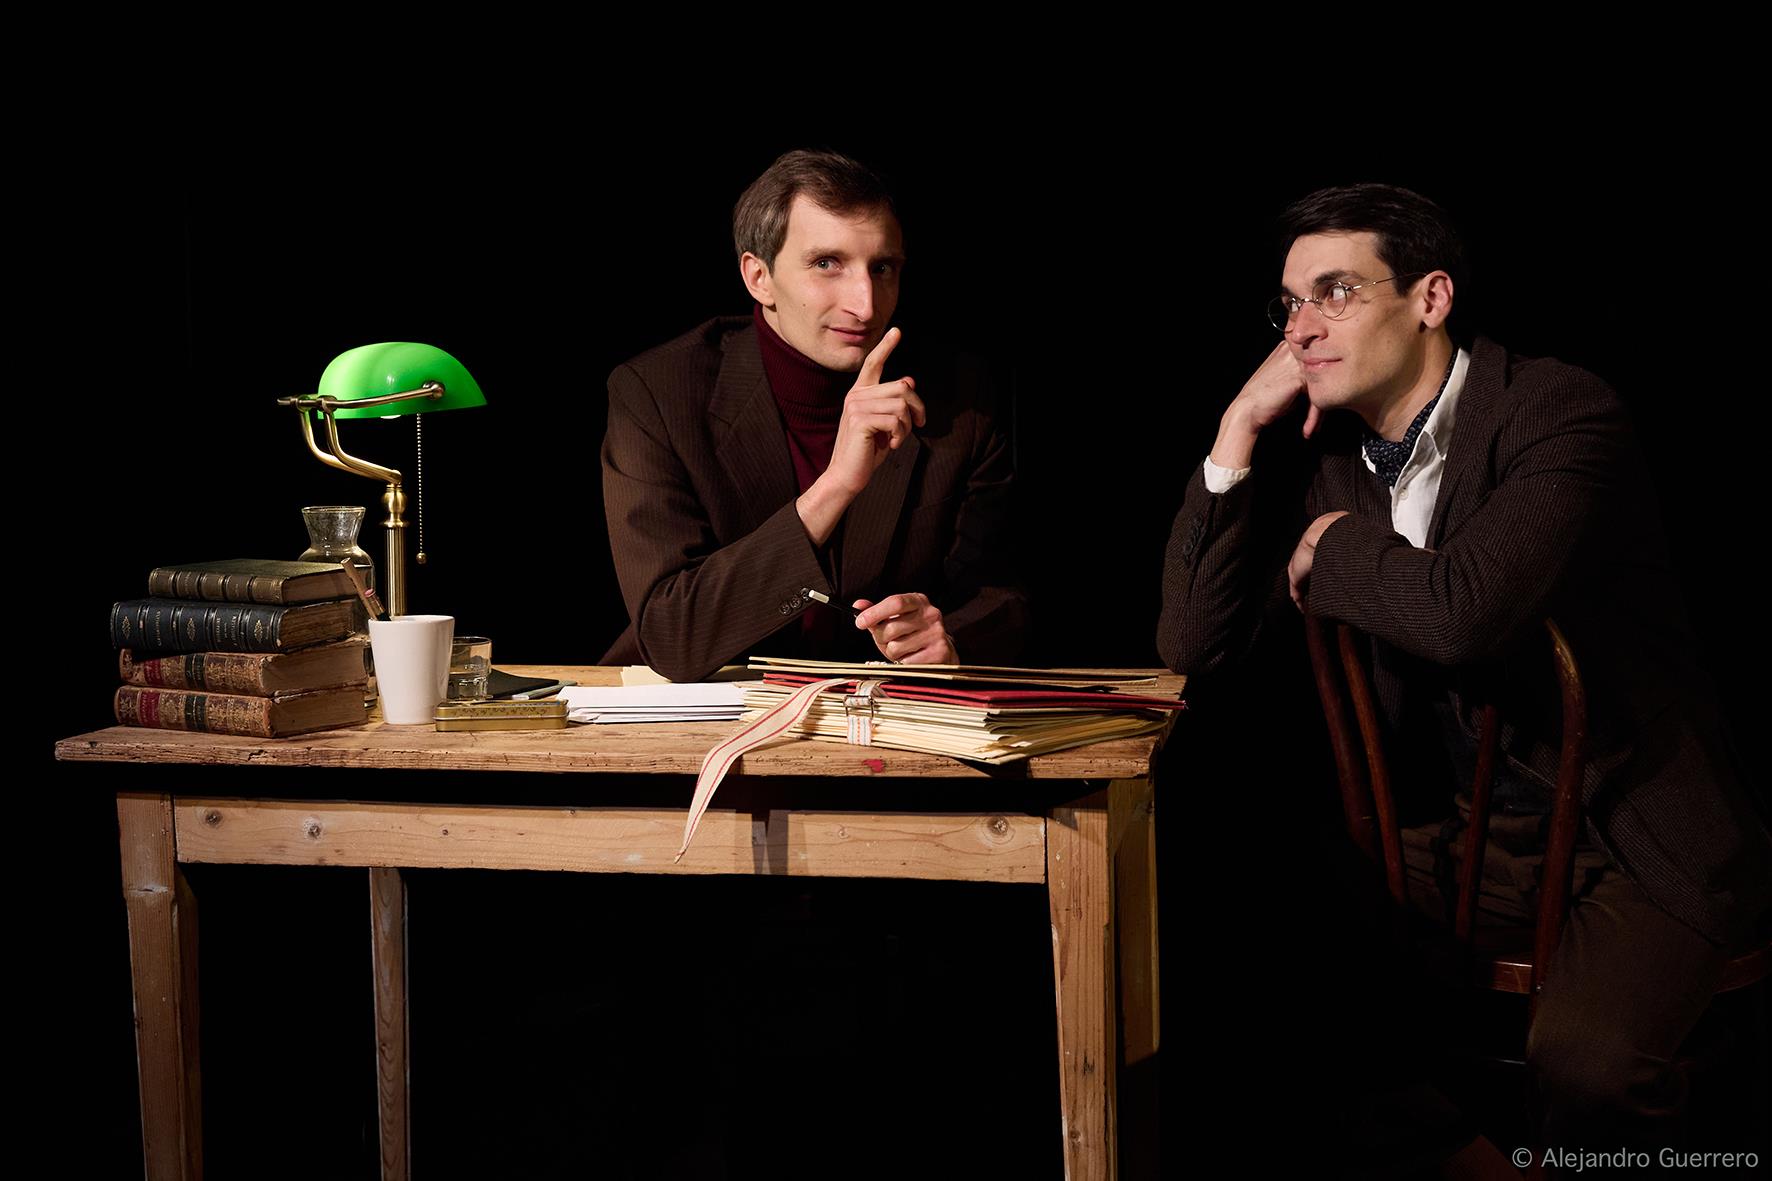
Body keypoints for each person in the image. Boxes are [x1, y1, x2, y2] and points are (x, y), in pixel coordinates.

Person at [1157, 184, 1771, 1156]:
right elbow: (1194, 645)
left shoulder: (1557, 410)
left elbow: (1463, 612)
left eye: (1335, 293)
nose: (1301, 329)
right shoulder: (1333, 455)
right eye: (1290, 304)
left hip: (1631, 834)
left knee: (1588, 1066)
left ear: (1430, 298)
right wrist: (1236, 427)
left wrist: (1332, 544)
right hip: (1472, 838)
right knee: (1238, 942)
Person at [601, 149, 1027, 682]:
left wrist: (950, 640)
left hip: (879, 715)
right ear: (759, 277)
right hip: (693, 715)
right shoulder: (658, 393)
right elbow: (672, 635)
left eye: (882, 268)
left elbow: (1007, 595)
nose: (865, 305)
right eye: (827, 264)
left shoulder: (960, 398)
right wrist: (835, 487)